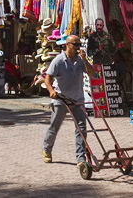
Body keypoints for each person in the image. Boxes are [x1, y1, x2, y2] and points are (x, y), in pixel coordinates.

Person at [42, 34, 95, 170]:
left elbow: (92, 73)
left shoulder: (80, 60)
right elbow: (48, 78)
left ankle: (80, 159)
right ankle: (47, 149)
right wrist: (51, 90)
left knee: (81, 129)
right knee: (55, 127)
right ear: (67, 45)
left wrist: (84, 59)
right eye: (75, 45)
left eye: (79, 45)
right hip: (61, 99)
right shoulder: (59, 61)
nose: (78, 47)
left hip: (77, 100)